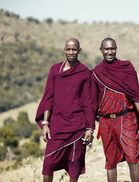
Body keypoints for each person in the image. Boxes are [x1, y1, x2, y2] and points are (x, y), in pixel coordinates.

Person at [91, 37, 139, 182]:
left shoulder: (126, 68)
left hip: (126, 118)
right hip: (106, 122)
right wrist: (89, 127)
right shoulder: (96, 73)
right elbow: (91, 102)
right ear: (101, 50)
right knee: (110, 162)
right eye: (107, 49)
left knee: (132, 157)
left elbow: (137, 95)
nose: (110, 52)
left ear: (116, 49)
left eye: (113, 48)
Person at [35, 38, 95, 182]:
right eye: (68, 49)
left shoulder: (84, 72)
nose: (71, 52)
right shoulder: (55, 70)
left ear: (79, 51)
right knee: (48, 165)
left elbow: (88, 102)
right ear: (64, 50)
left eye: (74, 49)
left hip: (77, 126)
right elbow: (48, 97)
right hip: (57, 126)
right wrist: (45, 124)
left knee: (73, 167)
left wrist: (90, 128)